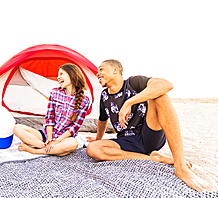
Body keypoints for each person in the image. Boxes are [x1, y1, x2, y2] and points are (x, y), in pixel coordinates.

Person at [86, 59, 209, 192]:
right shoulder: (104, 96)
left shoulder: (133, 82)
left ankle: (180, 166)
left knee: (160, 97)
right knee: (93, 149)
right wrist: (98, 139)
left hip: (149, 133)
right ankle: (154, 159)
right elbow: (102, 120)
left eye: (101, 69)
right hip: (126, 140)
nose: (98, 73)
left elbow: (165, 84)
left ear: (115, 70)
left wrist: (129, 103)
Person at [13, 63, 91, 156]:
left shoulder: (84, 100)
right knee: (17, 128)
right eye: (58, 75)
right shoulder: (55, 93)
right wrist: (50, 139)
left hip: (63, 138)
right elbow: (50, 118)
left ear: (72, 75)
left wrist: (57, 141)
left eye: (61, 74)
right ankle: (47, 148)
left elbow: (75, 127)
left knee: (72, 144)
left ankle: (36, 151)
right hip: (46, 135)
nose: (58, 77)